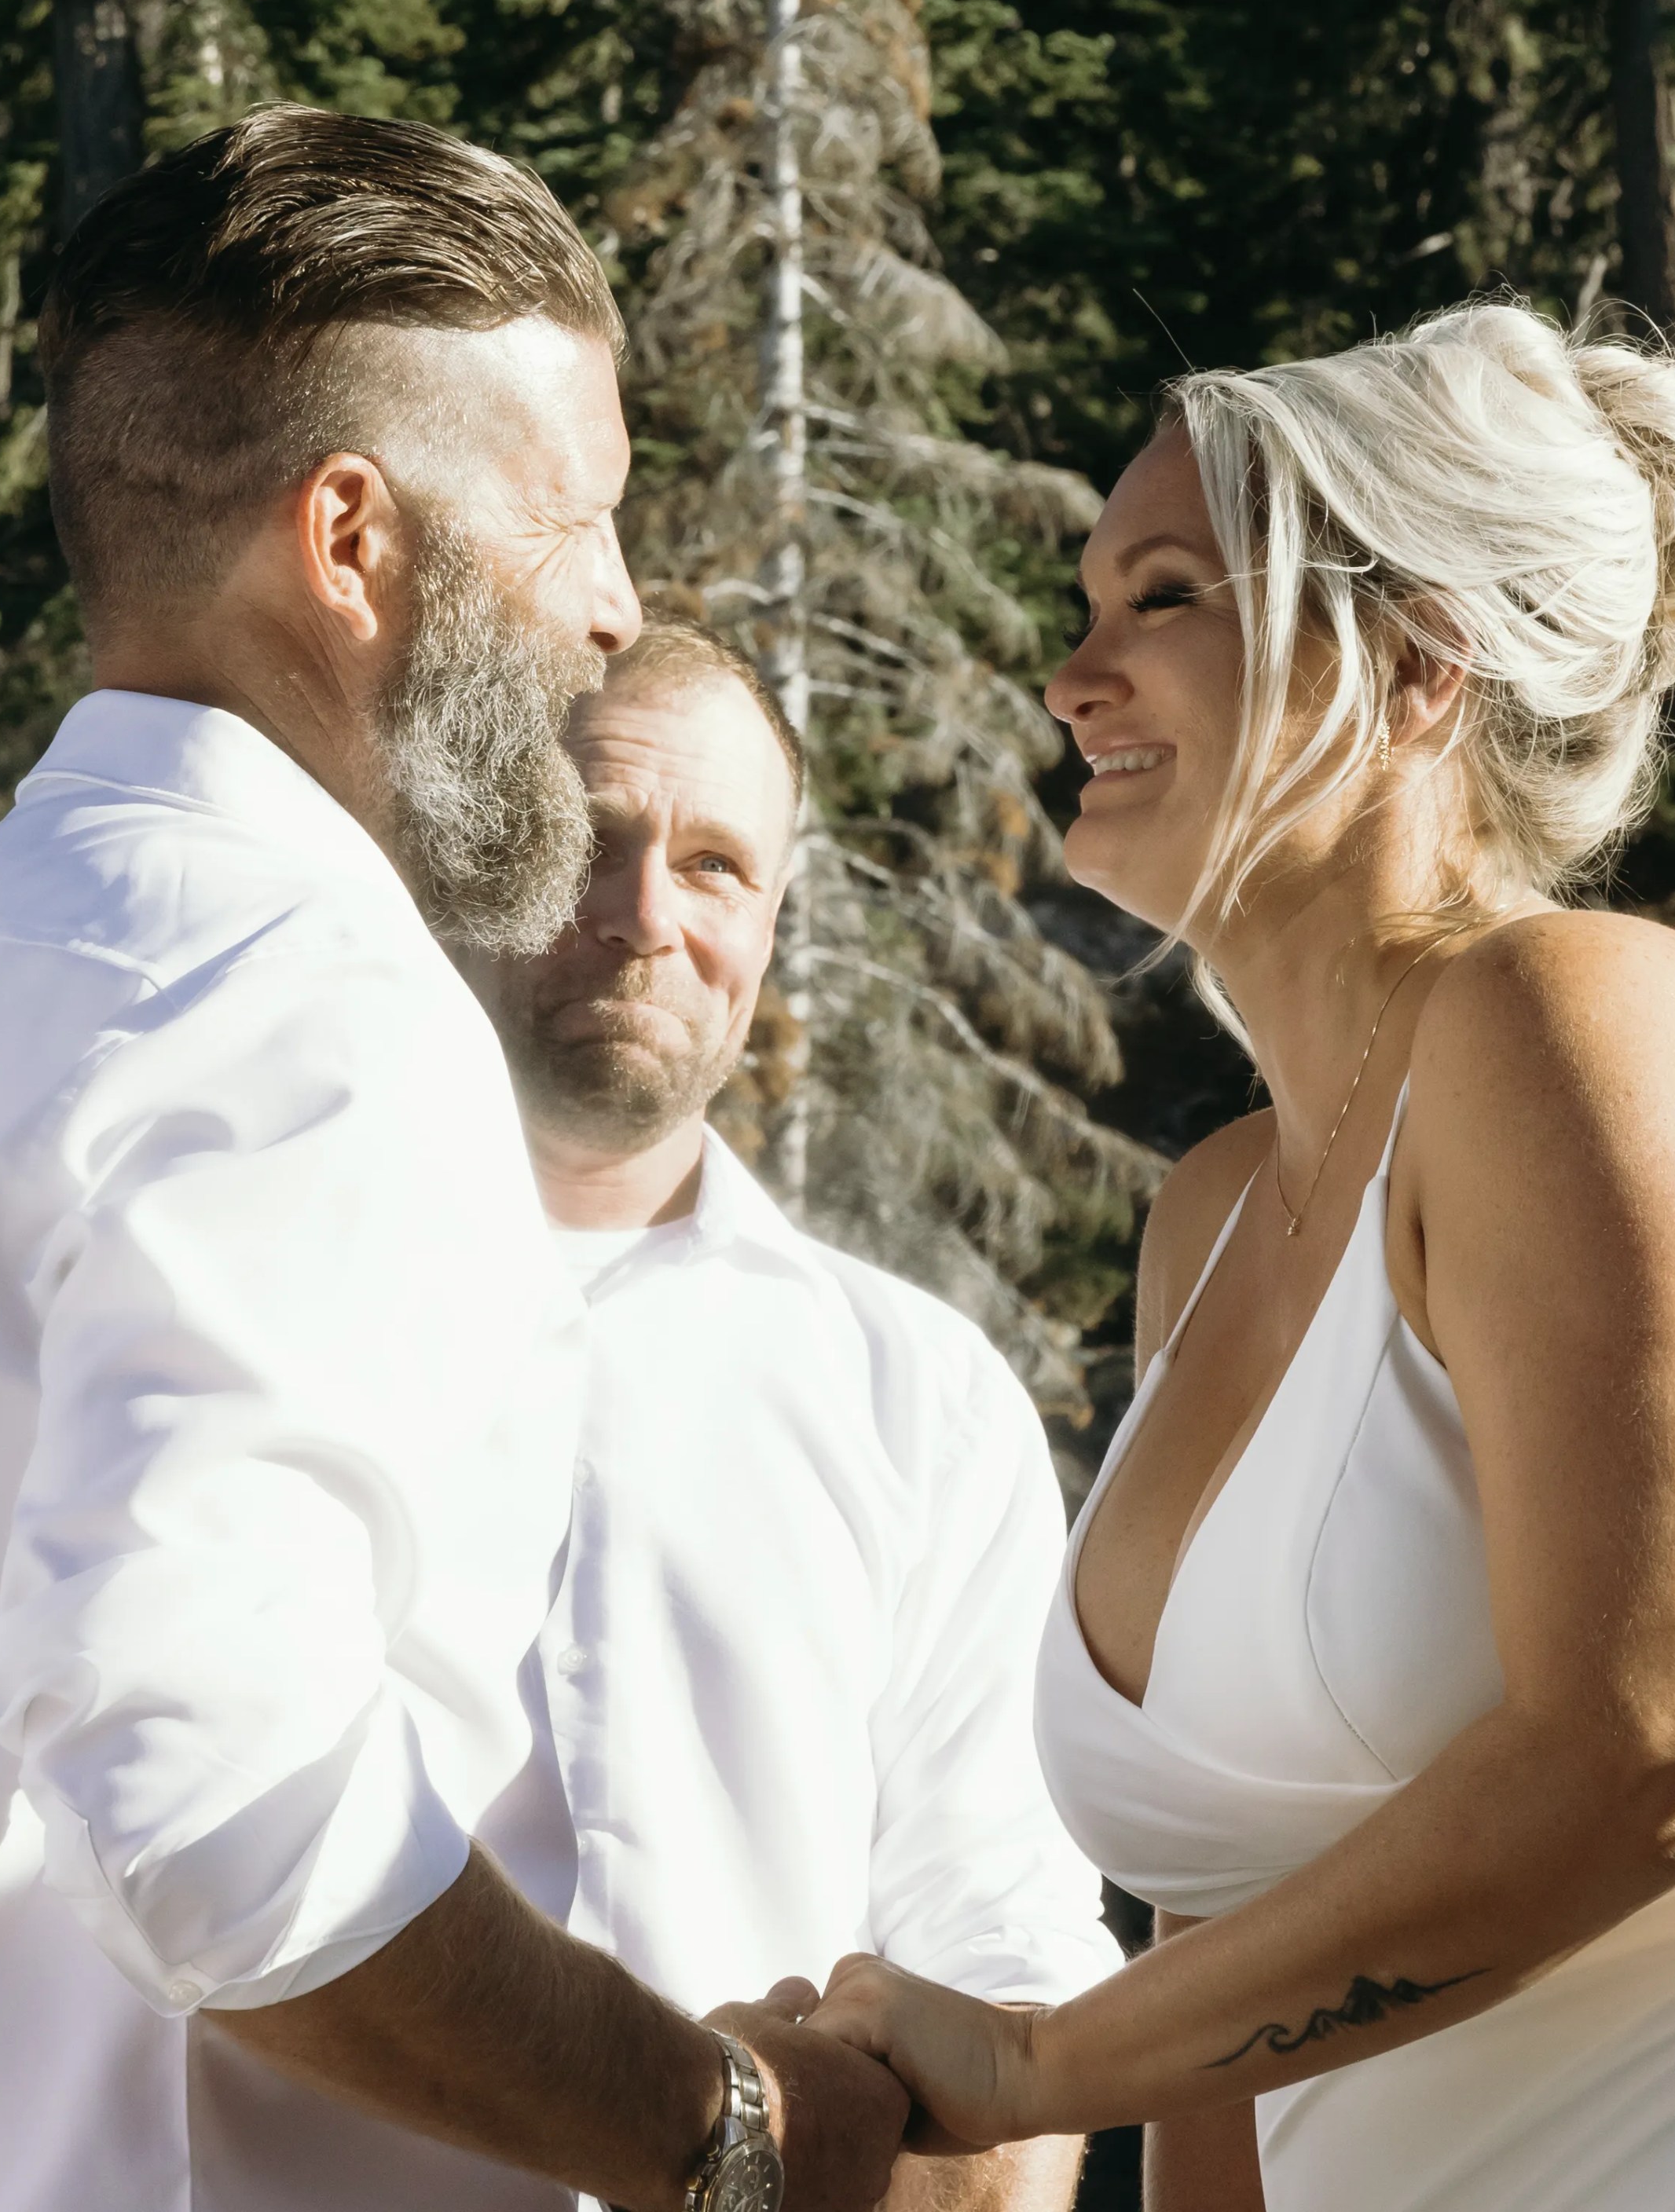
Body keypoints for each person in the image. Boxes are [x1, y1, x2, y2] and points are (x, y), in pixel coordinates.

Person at [0, 108, 907, 2212]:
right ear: (356, 543)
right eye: (576, 522)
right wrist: (717, 2135)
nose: (621, 610)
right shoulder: (309, 1005)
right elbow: (207, 1790)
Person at [808, 298, 1675, 2212]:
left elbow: (1656, 1751)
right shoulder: (1214, 1214)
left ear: (1420, 665)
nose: (1073, 678)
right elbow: (1220, 1977)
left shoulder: (1581, 1019)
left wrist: (1027, 2065)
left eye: (1162, 596)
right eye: (1086, 602)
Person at [462, 616, 1120, 2212]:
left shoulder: (920, 1401)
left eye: (714, 866)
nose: (644, 916)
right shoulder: (253, 1304)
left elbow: (1009, 1964)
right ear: (463, 861)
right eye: (592, 840)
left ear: (772, 922)